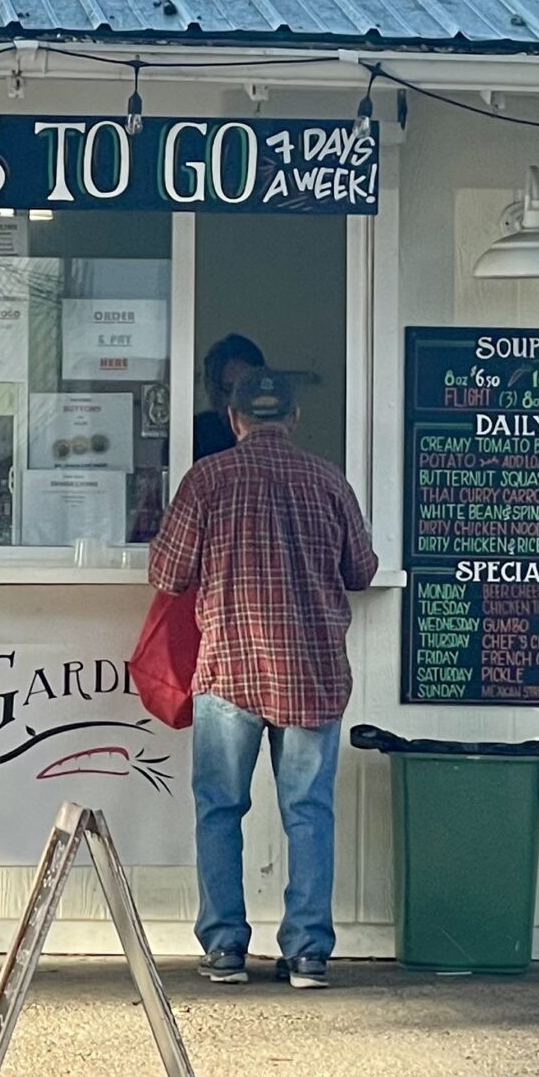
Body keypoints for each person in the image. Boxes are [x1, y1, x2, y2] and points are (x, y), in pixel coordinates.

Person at [148, 367, 378, 988]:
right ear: (294, 419)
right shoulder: (329, 481)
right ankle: (308, 953)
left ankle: (225, 948)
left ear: (234, 419)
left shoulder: (207, 479)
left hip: (231, 667)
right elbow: (361, 571)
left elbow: (167, 574)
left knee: (220, 809)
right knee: (308, 811)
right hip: (312, 671)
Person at [190, 333, 265, 463]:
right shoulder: (194, 436)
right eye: (229, 389)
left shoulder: (271, 433)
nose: (238, 400)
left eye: (246, 389)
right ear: (212, 390)